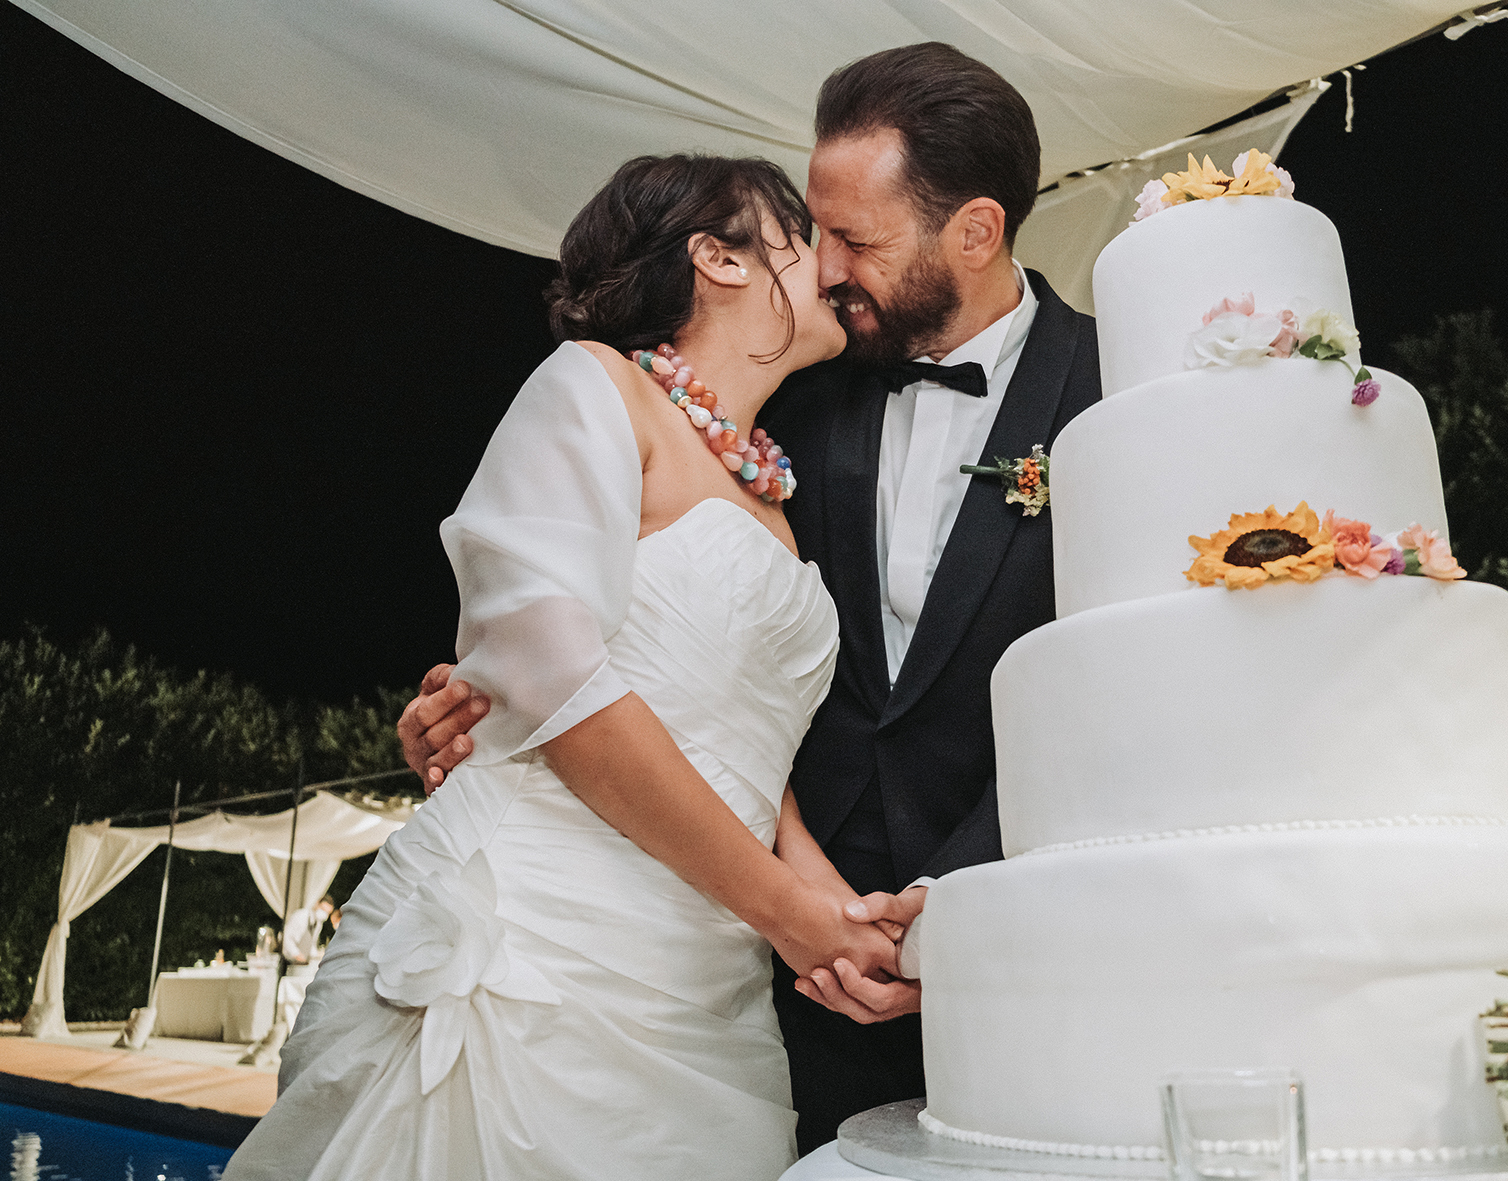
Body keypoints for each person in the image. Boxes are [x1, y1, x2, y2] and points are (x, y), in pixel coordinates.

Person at [402, 42, 1105, 1151]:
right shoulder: (790, 404)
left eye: (855, 239)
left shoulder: (1114, 397)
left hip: (1023, 946)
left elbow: (1111, 678)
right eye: (811, 232)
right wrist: (486, 696)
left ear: (974, 231)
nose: (825, 266)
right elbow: (614, 623)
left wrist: (958, 897)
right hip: (772, 972)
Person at [225, 154, 895, 1180]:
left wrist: (845, 924)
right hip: (529, 941)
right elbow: (556, 684)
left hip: (700, 975)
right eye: (799, 234)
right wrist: (782, 910)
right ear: (716, 257)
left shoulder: (769, 491)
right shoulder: (595, 385)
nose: (830, 261)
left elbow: (750, 759)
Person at [280, 895, 336, 965]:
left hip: (301, 962)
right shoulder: (301, 916)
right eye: (323, 909)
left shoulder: (318, 923)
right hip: (288, 960)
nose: (324, 914)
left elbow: (312, 942)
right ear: (317, 904)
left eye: (327, 913)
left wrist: (317, 956)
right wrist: (296, 953)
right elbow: (287, 937)